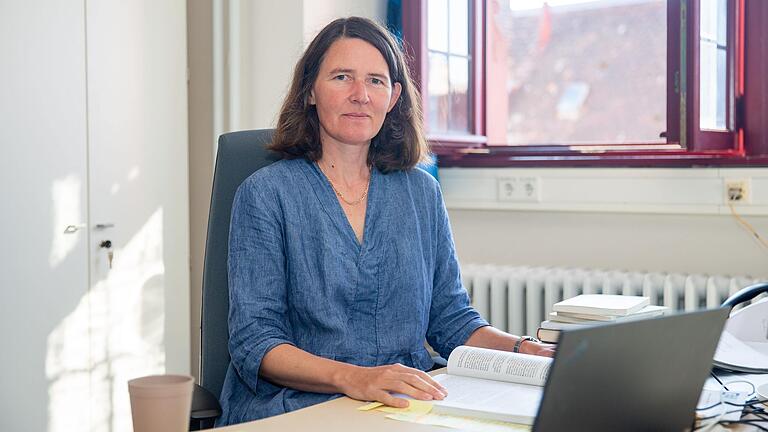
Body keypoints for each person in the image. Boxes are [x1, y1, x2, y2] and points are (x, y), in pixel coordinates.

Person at [215, 16, 555, 426]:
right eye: (342, 77)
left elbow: (450, 319)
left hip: (404, 402)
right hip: (297, 405)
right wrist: (355, 378)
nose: (360, 95)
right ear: (310, 91)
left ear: (393, 97)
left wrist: (523, 349)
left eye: (375, 81)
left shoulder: (421, 193)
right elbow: (256, 341)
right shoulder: (266, 194)